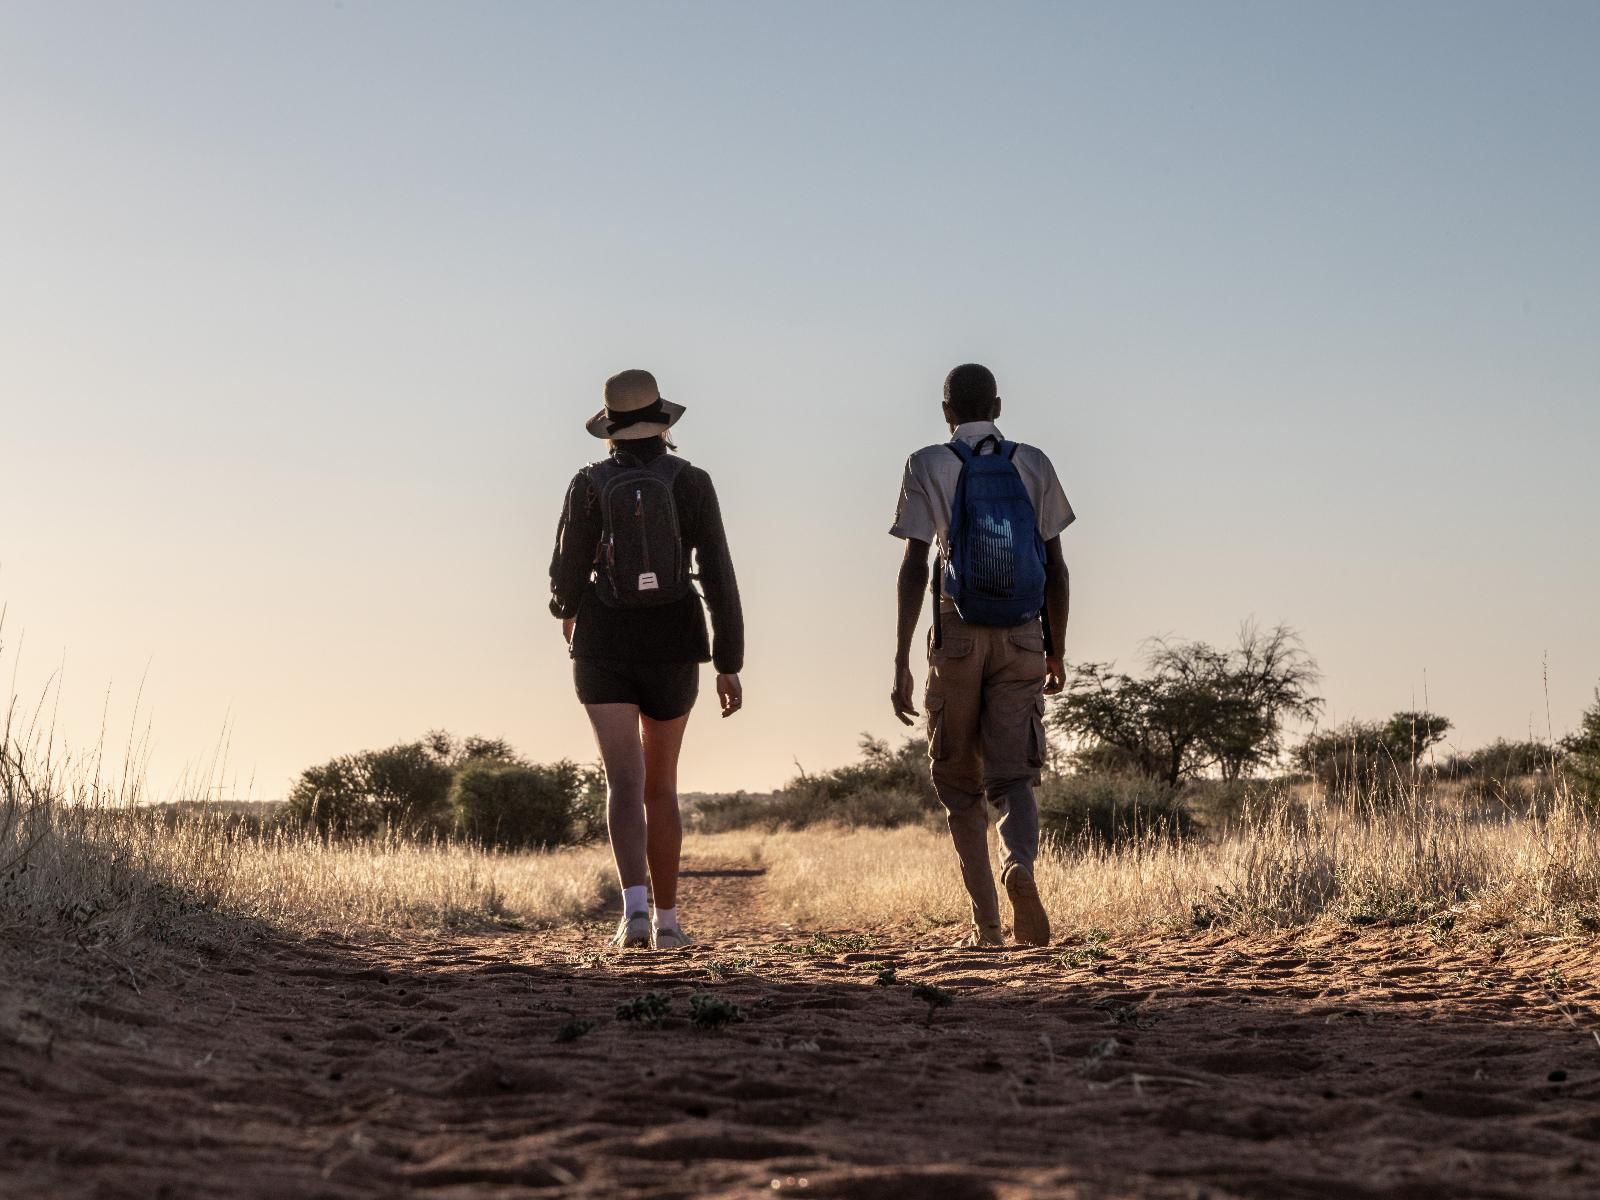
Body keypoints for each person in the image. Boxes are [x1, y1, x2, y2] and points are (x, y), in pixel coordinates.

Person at [549, 369, 744, 950]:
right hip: (674, 643)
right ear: (662, 423)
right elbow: (718, 571)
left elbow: (566, 569)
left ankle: (632, 914)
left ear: (610, 428)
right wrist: (728, 658)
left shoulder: (587, 483)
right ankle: (668, 922)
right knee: (662, 786)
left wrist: (567, 609)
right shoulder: (692, 481)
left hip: (604, 643)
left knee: (623, 781)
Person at [888, 363, 1073, 947]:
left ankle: (988, 926)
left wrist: (900, 659)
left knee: (960, 786)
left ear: (946, 411)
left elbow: (915, 565)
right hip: (1023, 633)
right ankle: (1018, 862)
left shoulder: (927, 463)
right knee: (1013, 775)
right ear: (997, 403)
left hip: (956, 632)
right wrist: (1055, 650)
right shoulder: (1034, 462)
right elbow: (1057, 567)